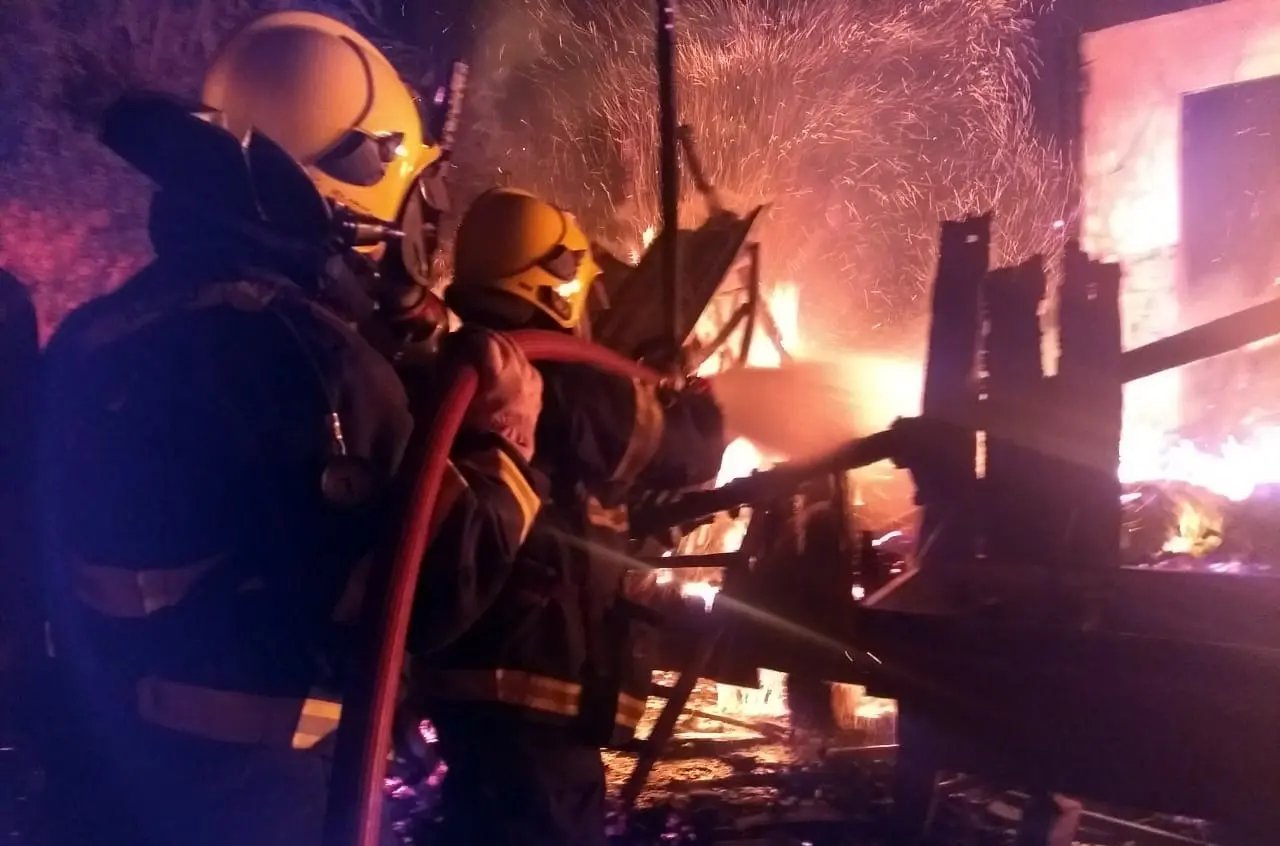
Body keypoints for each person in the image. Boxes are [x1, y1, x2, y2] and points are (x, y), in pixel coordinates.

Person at [38, 12, 543, 846]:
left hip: (99, 776)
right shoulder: (314, 360)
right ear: (358, 185)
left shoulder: (110, 324)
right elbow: (424, 594)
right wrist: (503, 444)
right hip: (253, 798)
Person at [406, 187, 727, 846]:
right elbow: (689, 451)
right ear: (556, 277)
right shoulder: (564, 380)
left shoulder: (471, 361)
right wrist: (696, 400)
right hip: (535, 689)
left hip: (473, 684)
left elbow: (587, 499)